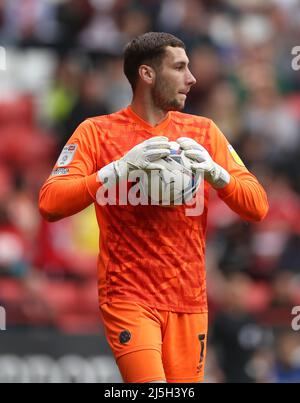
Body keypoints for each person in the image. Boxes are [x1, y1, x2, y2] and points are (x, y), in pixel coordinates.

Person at [39, 32, 269, 383]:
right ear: (147, 74)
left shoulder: (203, 132)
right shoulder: (96, 133)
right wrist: (116, 170)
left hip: (189, 300)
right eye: (179, 67)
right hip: (128, 296)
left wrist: (218, 174)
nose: (191, 78)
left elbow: (258, 207)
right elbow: (50, 203)